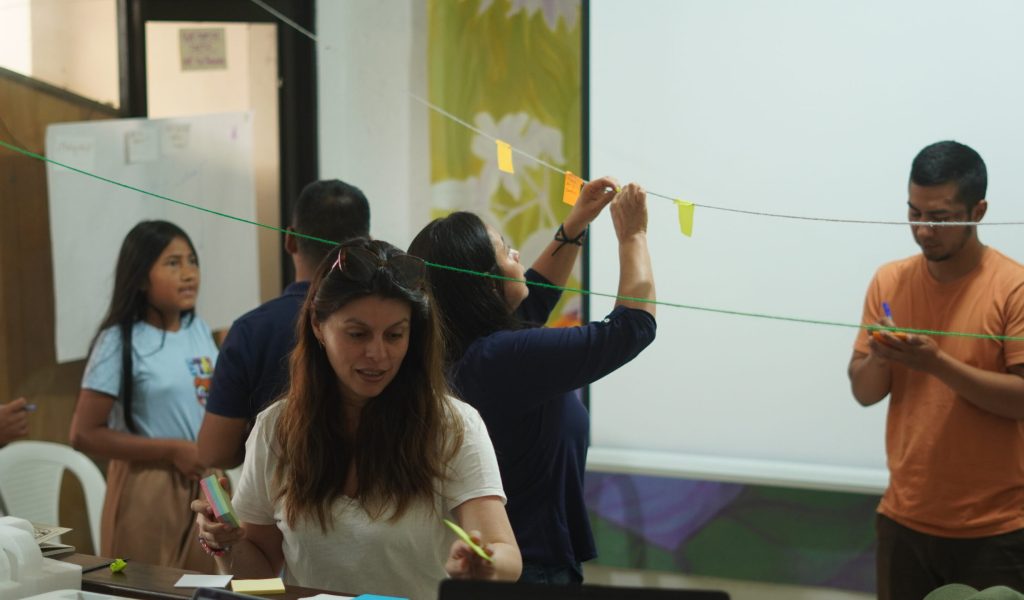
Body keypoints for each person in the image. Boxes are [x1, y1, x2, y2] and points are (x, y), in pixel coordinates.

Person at [192, 239, 521, 600]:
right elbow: (260, 579)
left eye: (395, 334)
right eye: (357, 334)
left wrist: (486, 565)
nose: (378, 353)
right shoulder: (278, 429)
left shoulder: (452, 426)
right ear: (318, 325)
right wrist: (226, 544)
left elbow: (504, 552)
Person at [407, 179, 657, 583]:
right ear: (487, 284)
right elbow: (632, 329)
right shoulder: (500, 358)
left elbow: (534, 296)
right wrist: (634, 235)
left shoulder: (462, 350)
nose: (517, 254)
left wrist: (575, 225)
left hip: (515, 564)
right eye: (507, 251)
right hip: (532, 570)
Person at [847, 141, 1024, 600]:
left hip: (997, 529)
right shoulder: (890, 281)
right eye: (914, 213)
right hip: (903, 519)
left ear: (978, 210)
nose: (924, 230)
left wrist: (936, 363)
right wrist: (883, 353)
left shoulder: (1013, 288)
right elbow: (864, 392)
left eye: (941, 218)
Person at [69, 220, 218, 571]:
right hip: (149, 484)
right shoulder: (118, 341)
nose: (188, 273)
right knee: (149, 587)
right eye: (172, 263)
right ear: (138, 278)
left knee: (207, 588)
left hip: (205, 482)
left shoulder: (198, 329)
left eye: (192, 261)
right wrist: (172, 450)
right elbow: (83, 433)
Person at [198, 179, 370, 469]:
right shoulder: (386, 324)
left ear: (290, 239)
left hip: (278, 502)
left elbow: (214, 453)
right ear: (367, 245)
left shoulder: (251, 332)